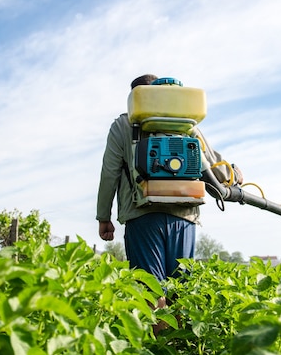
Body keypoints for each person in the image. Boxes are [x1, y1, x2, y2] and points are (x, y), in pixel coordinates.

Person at [96, 74, 243, 288]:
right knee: (181, 291)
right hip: (184, 216)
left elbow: (109, 173)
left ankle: (158, 322)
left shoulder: (122, 124)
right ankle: (179, 322)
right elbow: (211, 164)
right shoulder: (185, 122)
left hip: (142, 216)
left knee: (151, 291)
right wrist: (234, 174)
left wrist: (103, 217)